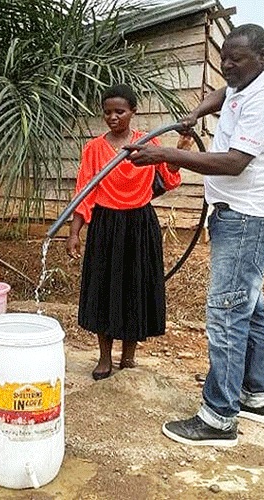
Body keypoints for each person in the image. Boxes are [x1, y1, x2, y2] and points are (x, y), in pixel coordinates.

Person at [125, 24, 264, 447]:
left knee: (226, 314)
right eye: (223, 58)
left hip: (247, 218)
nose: (227, 65)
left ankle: (218, 419)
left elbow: (235, 162)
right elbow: (223, 93)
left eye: (236, 58)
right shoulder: (243, 85)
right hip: (239, 215)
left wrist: (164, 153)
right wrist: (198, 112)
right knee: (249, 308)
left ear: (262, 55)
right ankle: (257, 395)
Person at [66, 84, 181, 381]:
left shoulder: (147, 144)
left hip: (139, 225)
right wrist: (74, 233)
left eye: (120, 111)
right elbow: (84, 192)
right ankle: (104, 357)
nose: (113, 117)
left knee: (135, 287)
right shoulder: (93, 149)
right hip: (105, 224)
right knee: (103, 288)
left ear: (133, 112)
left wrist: (180, 152)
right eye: (107, 112)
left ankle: (128, 356)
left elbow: (168, 179)